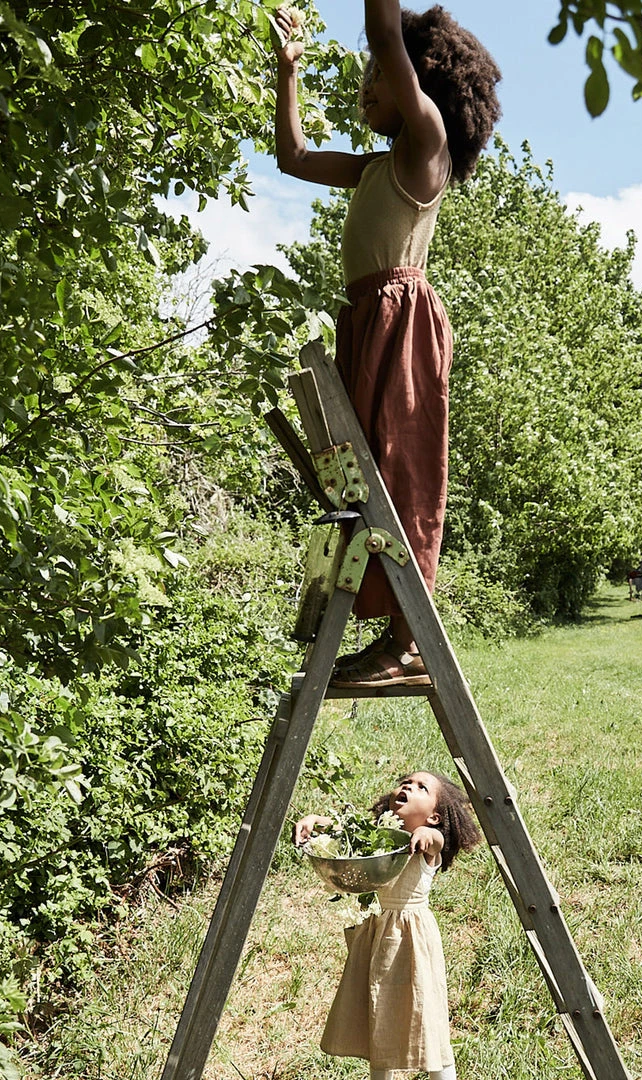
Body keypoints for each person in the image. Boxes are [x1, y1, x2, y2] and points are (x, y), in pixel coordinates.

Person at [273, 3, 501, 687]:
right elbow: (293, 158)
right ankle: (388, 628)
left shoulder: (423, 145)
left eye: (380, 73)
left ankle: (408, 643)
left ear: (420, 78)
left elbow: (382, 29)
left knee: (403, 474)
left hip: (402, 325)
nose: (368, 85)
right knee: (359, 477)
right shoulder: (376, 166)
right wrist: (288, 71)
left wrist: (385, 36)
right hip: (365, 320)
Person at [294, 771, 482, 1080]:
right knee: (379, 1011)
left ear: (434, 815)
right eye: (407, 782)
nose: (409, 786)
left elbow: (437, 842)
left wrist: (427, 835)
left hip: (412, 939)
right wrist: (316, 820)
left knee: (426, 1017)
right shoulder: (380, 837)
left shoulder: (427, 842)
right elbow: (348, 831)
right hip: (379, 935)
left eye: (422, 787)